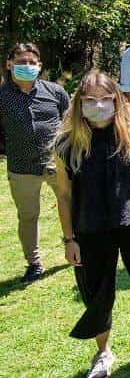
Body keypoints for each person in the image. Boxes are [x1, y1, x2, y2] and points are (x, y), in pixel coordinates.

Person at [54, 71, 130, 378]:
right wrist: (69, 239)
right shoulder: (66, 143)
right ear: (79, 103)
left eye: (105, 99)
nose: (98, 106)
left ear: (117, 100)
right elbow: (64, 195)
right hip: (90, 228)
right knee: (96, 291)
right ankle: (103, 351)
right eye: (90, 100)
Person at [1, 43, 70, 283]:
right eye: (21, 62)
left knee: (69, 203)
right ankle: (34, 263)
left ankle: (74, 247)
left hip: (56, 162)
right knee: (28, 216)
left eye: (32, 62)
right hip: (21, 167)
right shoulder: (2, 97)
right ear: (9, 65)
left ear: (39, 66)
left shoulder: (55, 92)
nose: (27, 66)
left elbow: (70, 122)